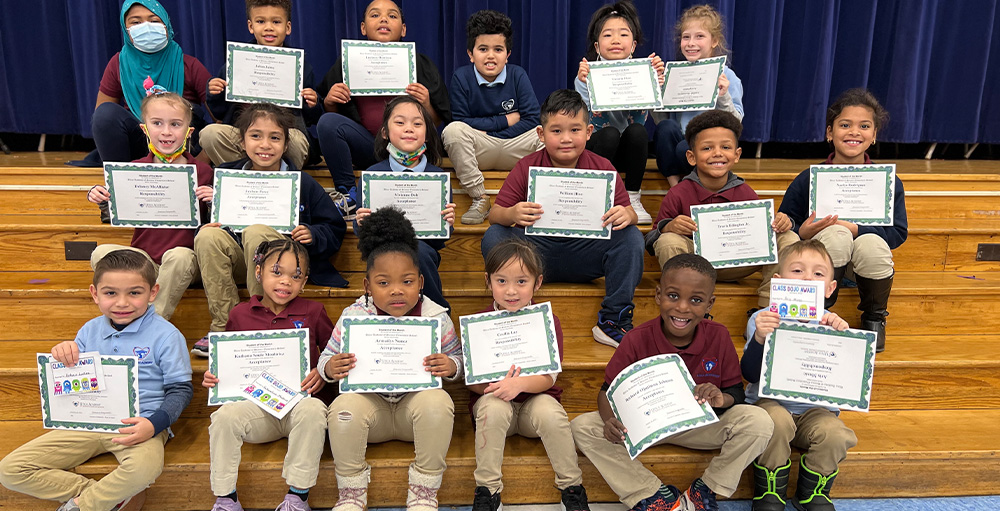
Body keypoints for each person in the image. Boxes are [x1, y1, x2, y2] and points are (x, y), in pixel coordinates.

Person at [571, 254, 773, 511]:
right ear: (658, 295)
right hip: (644, 426)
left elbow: (736, 392)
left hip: (698, 426)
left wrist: (722, 398)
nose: (682, 308)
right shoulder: (635, 339)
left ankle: (706, 490)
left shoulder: (719, 336)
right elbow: (605, 392)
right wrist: (610, 420)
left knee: (759, 422)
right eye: (673, 296)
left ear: (710, 303)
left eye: (696, 300)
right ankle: (653, 495)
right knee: (582, 426)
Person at [0, 250, 193, 511]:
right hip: (88, 423)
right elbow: (73, 373)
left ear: (153, 292)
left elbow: (181, 389)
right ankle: (105, 495)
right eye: (110, 293)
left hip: (138, 427)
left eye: (134, 293)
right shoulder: (89, 330)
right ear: (95, 294)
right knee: (10, 470)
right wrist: (64, 353)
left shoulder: (167, 335)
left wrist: (153, 424)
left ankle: (81, 506)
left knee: (145, 470)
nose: (122, 302)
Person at [318, 207, 462, 511]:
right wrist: (331, 367)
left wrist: (451, 366)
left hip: (416, 413)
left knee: (439, 402)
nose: (397, 290)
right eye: (384, 283)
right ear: (367, 286)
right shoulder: (353, 317)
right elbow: (325, 360)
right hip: (373, 414)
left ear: (421, 282)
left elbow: (458, 361)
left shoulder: (436, 318)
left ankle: (424, 489)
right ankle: (351, 491)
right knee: (342, 408)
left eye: (407, 282)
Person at [481, 89, 644, 349]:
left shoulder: (602, 166)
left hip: (586, 254)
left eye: (575, 130)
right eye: (556, 131)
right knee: (495, 236)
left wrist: (627, 214)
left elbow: (631, 214)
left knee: (632, 237)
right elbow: (495, 215)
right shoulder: (527, 165)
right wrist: (512, 213)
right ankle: (513, 306)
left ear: (589, 132)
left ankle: (613, 320)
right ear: (541, 134)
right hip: (535, 256)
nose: (566, 139)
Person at [192, 102, 346, 356]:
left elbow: (334, 227)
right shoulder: (226, 175)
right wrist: (210, 222)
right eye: (256, 136)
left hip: (282, 263)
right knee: (208, 235)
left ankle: (260, 320)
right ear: (242, 142)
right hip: (241, 261)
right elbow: (209, 229)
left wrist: (312, 233)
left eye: (275, 138)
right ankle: (225, 328)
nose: (265, 145)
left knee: (256, 232)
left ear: (285, 145)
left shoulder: (302, 182)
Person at [202, 239, 334, 511]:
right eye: (277, 272)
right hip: (258, 411)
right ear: (259, 272)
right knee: (223, 417)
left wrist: (322, 371)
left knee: (313, 410)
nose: (286, 282)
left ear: (304, 282)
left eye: (295, 276)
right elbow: (229, 362)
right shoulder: (239, 315)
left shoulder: (314, 311)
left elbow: (334, 354)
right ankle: (226, 499)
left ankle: (297, 497)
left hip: (299, 408)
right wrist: (214, 378)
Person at [777, 88, 906, 352]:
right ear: (829, 133)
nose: (854, 132)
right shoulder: (809, 178)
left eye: (864, 126)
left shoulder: (888, 182)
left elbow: (898, 232)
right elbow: (788, 219)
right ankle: (818, 312)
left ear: (874, 136)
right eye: (845, 125)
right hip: (822, 265)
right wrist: (802, 230)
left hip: (866, 268)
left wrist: (857, 229)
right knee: (836, 235)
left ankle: (874, 317)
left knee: (871, 242)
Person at [468, 239, 590, 511]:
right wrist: (497, 388)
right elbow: (472, 382)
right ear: (488, 282)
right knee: (491, 408)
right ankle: (488, 492)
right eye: (501, 281)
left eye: (521, 282)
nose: (511, 291)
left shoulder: (547, 321)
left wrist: (519, 384)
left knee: (552, 413)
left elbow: (549, 378)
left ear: (538, 283)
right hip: (498, 407)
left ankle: (571, 487)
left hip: (535, 403)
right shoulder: (478, 322)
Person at [742, 240, 857, 511]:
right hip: (770, 405)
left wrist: (842, 337)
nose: (807, 278)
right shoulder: (762, 319)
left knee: (836, 433)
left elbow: (844, 376)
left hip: (815, 412)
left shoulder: (833, 325)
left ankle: (813, 493)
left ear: (830, 287)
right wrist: (759, 338)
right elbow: (748, 373)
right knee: (776, 420)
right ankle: (770, 490)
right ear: (778, 282)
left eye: (818, 274)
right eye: (797, 271)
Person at [645, 110, 798, 308]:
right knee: (668, 241)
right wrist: (669, 227)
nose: (717, 153)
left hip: (740, 262)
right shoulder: (679, 192)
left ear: (737, 155)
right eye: (707, 148)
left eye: (725, 147)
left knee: (790, 238)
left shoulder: (745, 192)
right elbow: (651, 241)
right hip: (696, 264)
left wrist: (783, 223)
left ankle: (767, 307)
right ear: (691, 157)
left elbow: (765, 231)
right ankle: (685, 306)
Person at [316, 0, 452, 218]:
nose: (383, 20)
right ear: (362, 28)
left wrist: (426, 103)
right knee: (328, 123)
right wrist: (330, 101)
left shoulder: (421, 64)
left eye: (392, 15)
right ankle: (349, 194)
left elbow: (436, 124)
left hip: (407, 154)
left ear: (404, 29)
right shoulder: (348, 62)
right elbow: (332, 116)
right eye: (375, 15)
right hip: (368, 147)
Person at [86, 91, 213, 321]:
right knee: (101, 253)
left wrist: (214, 201)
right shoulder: (133, 170)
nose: (166, 131)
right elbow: (113, 213)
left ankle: (152, 326)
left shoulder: (203, 172)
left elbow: (216, 227)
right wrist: (101, 197)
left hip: (184, 263)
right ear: (145, 129)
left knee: (180, 256)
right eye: (157, 123)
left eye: (175, 124)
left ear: (188, 131)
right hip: (144, 260)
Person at [441, 9, 543, 225]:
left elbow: (533, 119)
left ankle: (537, 199)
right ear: (470, 54)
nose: (490, 56)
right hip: (481, 149)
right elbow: (460, 120)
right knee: (453, 132)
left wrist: (496, 133)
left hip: (516, 147)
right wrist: (505, 120)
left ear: (508, 54)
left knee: (545, 135)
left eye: (498, 49)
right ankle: (480, 198)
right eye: (483, 49)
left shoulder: (517, 74)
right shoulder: (461, 77)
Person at [354, 96, 455, 309]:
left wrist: (447, 223)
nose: (409, 128)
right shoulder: (372, 176)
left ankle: (437, 313)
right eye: (400, 123)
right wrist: (360, 222)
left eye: (417, 123)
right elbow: (363, 236)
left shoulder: (438, 178)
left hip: (424, 251)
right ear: (384, 132)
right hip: (382, 250)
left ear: (427, 134)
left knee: (418, 251)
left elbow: (438, 242)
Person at [86, 0, 210, 169]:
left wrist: (201, 163)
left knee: (192, 112)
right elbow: (102, 116)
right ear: (125, 28)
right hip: (139, 143)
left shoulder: (188, 64)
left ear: (166, 25)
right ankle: (119, 177)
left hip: (182, 148)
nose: (147, 27)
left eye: (154, 21)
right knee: (105, 114)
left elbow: (219, 118)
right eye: (136, 22)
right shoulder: (118, 64)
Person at [200, 0, 323, 169]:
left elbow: (311, 119)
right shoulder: (236, 62)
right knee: (209, 134)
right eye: (261, 21)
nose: (268, 27)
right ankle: (242, 173)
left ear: (288, 27)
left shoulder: (301, 67)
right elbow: (219, 112)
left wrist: (312, 103)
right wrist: (215, 93)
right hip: (244, 137)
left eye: (276, 22)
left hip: (282, 138)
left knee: (298, 141)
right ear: (250, 26)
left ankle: (279, 179)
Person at [574, 0, 665, 224]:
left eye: (623, 35)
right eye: (607, 35)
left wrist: (658, 86)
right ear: (597, 47)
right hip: (600, 149)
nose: (615, 40)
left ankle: (632, 198)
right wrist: (583, 82)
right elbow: (582, 115)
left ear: (633, 45)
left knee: (637, 131)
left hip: (629, 154)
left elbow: (658, 116)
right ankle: (598, 196)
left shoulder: (647, 72)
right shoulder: (587, 74)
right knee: (610, 133)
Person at [652, 4, 744, 187]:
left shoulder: (727, 77)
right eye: (686, 37)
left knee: (684, 148)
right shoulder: (675, 75)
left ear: (714, 41)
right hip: (680, 148)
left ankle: (695, 185)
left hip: (707, 148)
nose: (691, 43)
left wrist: (723, 96)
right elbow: (660, 121)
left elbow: (736, 124)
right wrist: (655, 94)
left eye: (699, 36)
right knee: (666, 128)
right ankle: (674, 185)